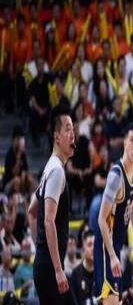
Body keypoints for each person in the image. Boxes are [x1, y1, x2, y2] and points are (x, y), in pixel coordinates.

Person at [93, 123, 133, 303]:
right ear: (124, 143)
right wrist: (112, 256)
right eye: (131, 140)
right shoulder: (116, 175)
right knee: (113, 301)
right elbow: (101, 219)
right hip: (105, 247)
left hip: (116, 247)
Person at [28, 104, 75, 303]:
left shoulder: (49, 168)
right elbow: (48, 221)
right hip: (49, 270)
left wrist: (39, 249)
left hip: (44, 265)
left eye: (73, 129)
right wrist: (57, 269)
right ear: (56, 137)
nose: (73, 134)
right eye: (68, 129)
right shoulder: (56, 171)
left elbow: (31, 210)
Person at [70, 230, 95, 305]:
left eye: (95, 245)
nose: (93, 248)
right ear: (83, 249)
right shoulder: (75, 274)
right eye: (89, 245)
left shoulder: (102, 272)